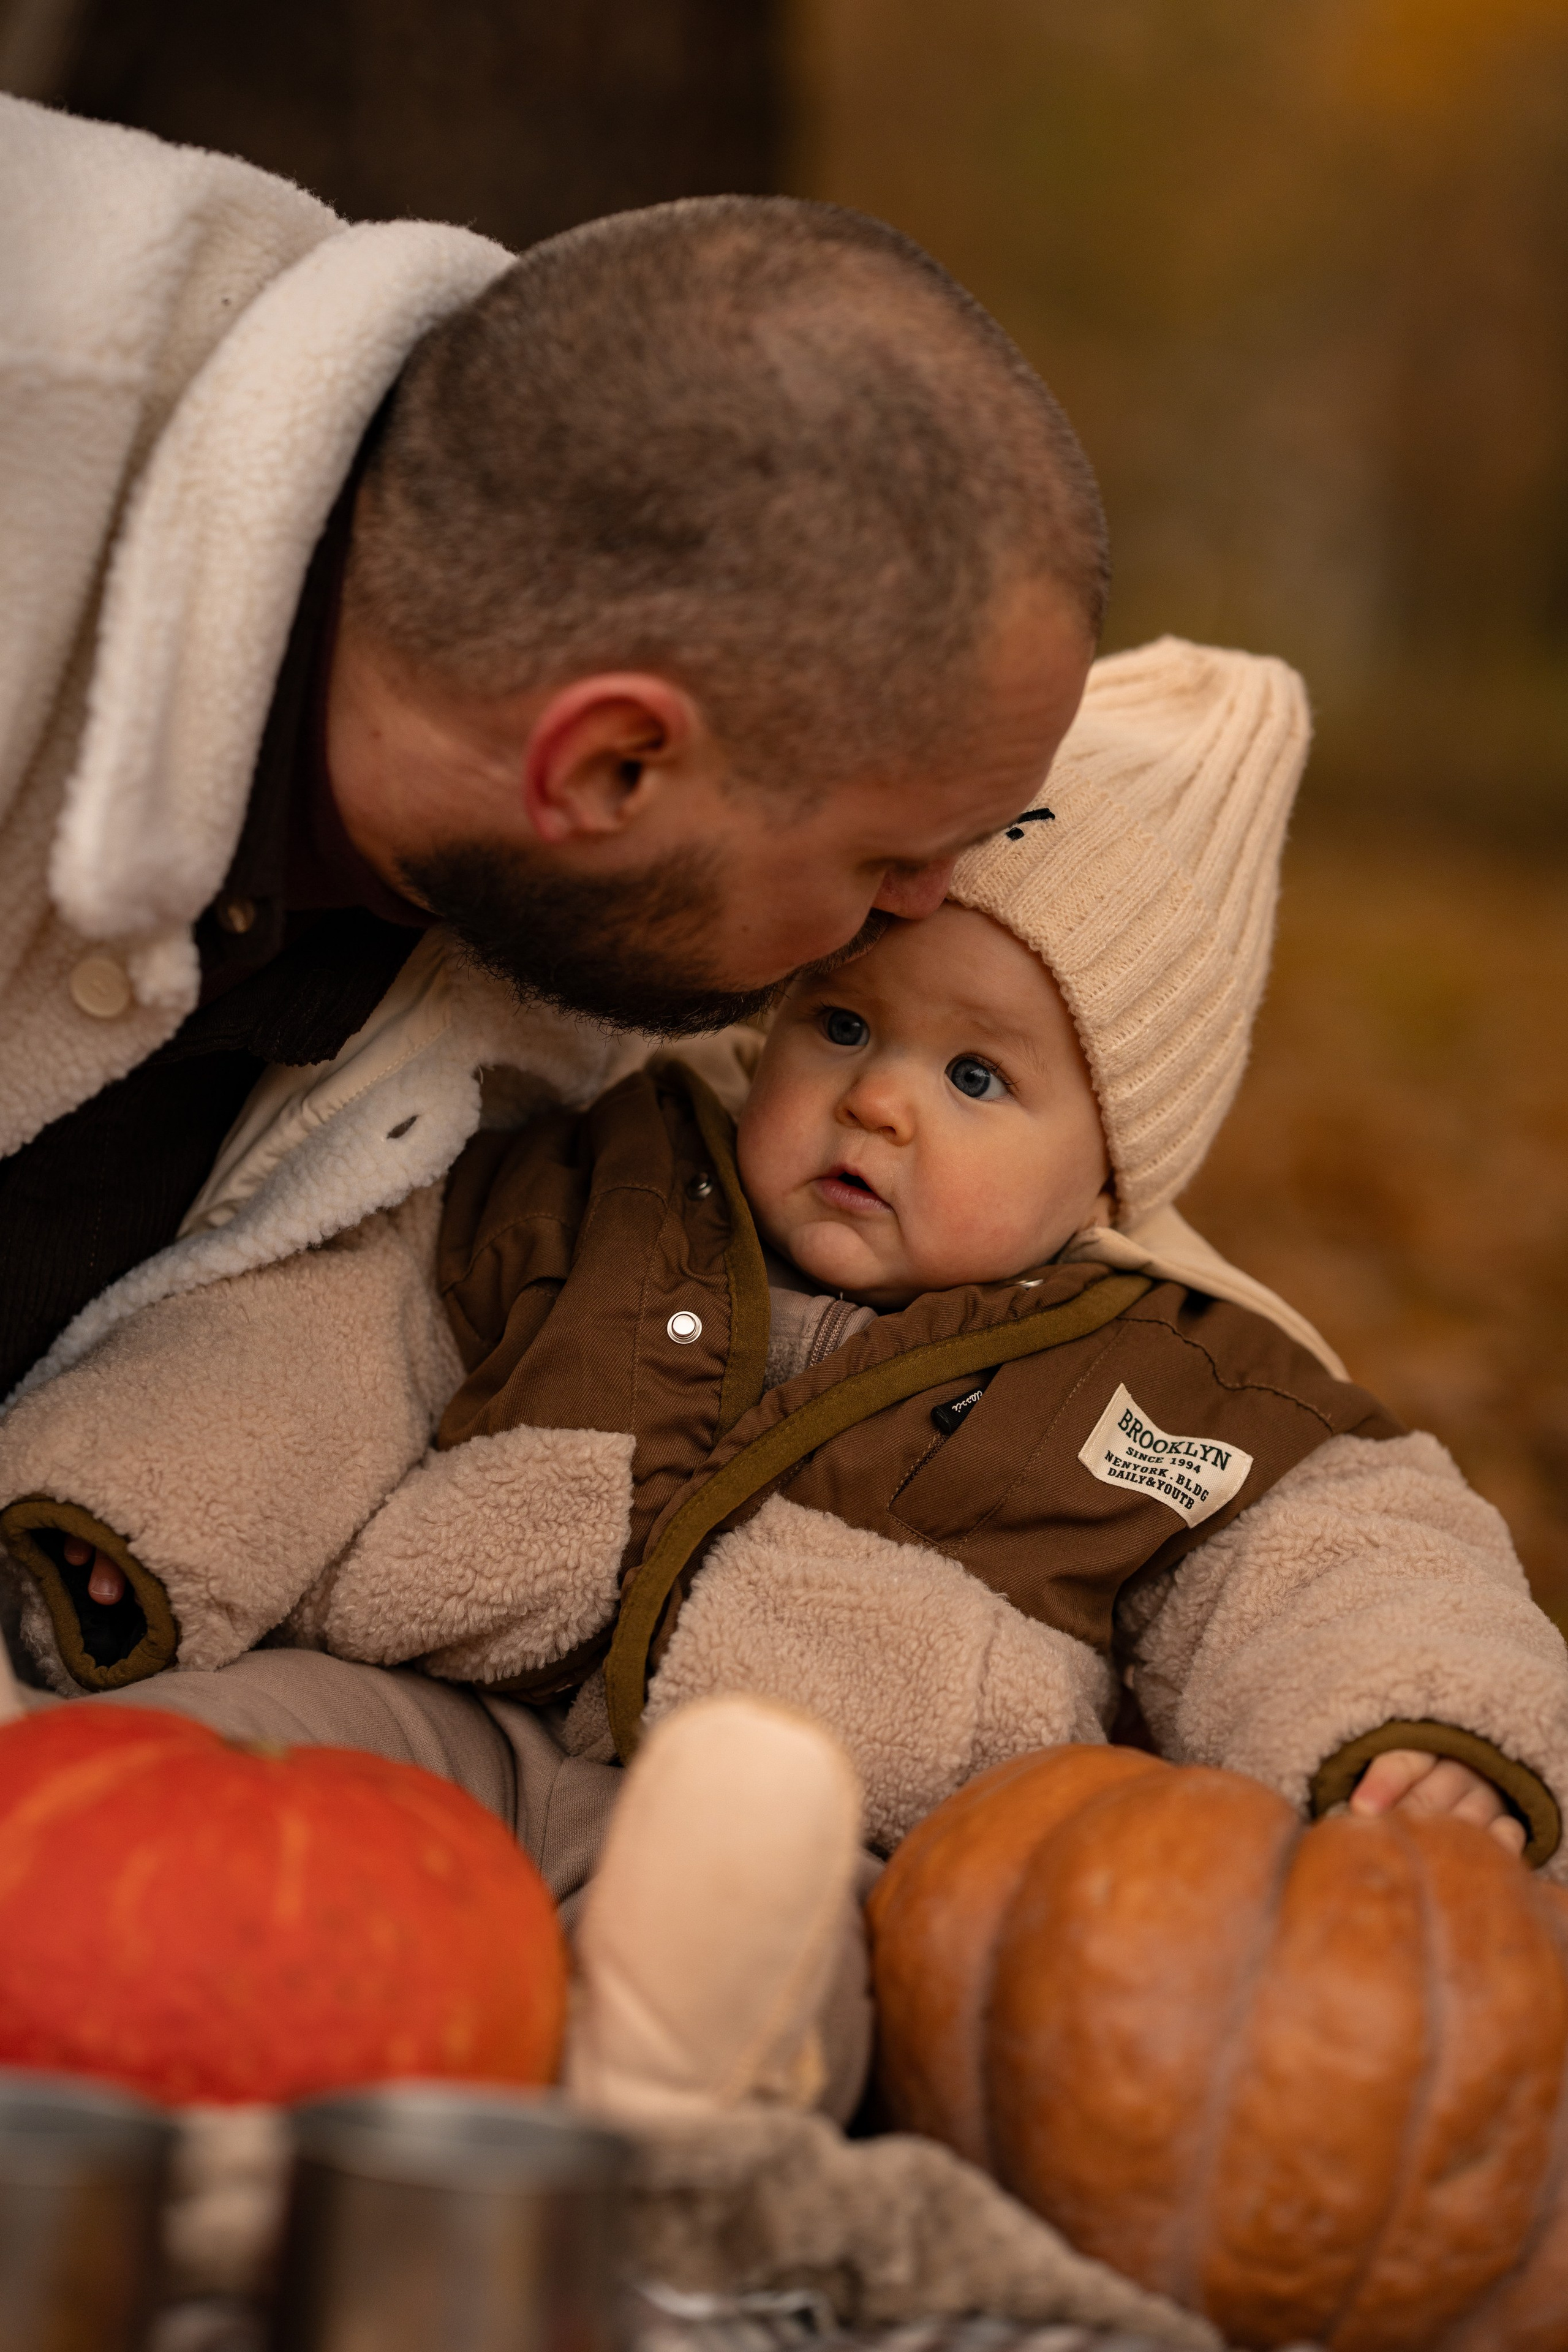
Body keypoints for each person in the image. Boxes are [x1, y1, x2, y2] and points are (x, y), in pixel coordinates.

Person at [7, 639, 1564, 2122]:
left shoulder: (1173, 1381)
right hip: (441, 1714)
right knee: (199, 1756)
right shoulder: (601, 1182)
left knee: (777, 1963)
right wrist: (143, 1503)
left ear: (1111, 1163)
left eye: (974, 1076)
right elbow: (339, 1332)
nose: (876, 1100)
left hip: (812, 1837)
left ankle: (669, 2153)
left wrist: (1413, 1732)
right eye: (841, 1023)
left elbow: (1342, 1555)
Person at [0, 94, 1104, 1404]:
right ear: (607, 769)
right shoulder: (36, 437)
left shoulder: (565, 895)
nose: (927, 903)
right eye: (887, 859)